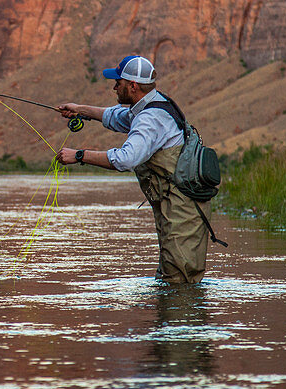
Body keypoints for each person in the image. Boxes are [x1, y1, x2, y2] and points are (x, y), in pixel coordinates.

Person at [55, 55, 210, 284]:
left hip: (182, 209)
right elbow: (116, 117)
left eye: (118, 83)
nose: (114, 87)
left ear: (133, 86)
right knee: (172, 277)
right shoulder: (150, 106)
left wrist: (79, 156)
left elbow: (126, 159)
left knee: (180, 281)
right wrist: (80, 110)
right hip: (176, 205)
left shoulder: (150, 118)